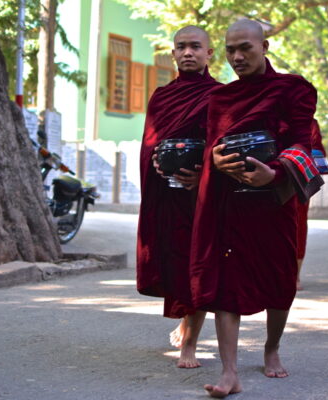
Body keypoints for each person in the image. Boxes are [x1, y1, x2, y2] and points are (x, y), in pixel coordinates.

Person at [188, 19, 319, 397]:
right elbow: (211, 145)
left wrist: (274, 173)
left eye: (245, 47)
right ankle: (229, 372)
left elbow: (301, 143)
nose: (237, 56)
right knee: (225, 283)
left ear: (264, 47)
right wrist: (213, 158)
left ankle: (271, 348)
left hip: (273, 201)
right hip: (229, 203)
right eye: (230, 50)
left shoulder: (293, 89)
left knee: (279, 282)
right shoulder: (220, 98)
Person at [136, 25, 222, 369]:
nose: (188, 53)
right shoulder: (161, 96)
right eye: (181, 47)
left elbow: (223, 144)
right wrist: (157, 167)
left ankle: (191, 342)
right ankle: (184, 317)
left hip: (203, 197)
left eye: (196, 47)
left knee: (198, 265)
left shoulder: (221, 95)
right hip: (168, 196)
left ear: (209, 53)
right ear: (172, 53)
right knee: (174, 261)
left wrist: (202, 173)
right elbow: (149, 144)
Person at [296, 119, 328, 290]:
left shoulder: (309, 123)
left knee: (298, 227)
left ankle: (295, 277)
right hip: (267, 178)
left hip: (298, 181)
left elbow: (317, 150)